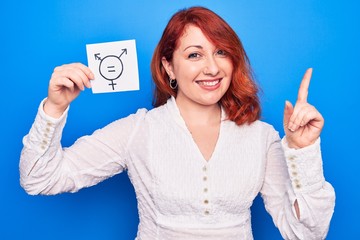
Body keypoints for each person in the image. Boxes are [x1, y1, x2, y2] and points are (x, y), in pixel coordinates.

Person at [20, 6, 335, 240]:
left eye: (221, 52)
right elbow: (40, 180)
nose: (211, 67)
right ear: (169, 66)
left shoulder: (262, 137)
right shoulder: (138, 131)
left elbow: (307, 233)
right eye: (195, 55)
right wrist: (54, 108)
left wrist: (303, 152)